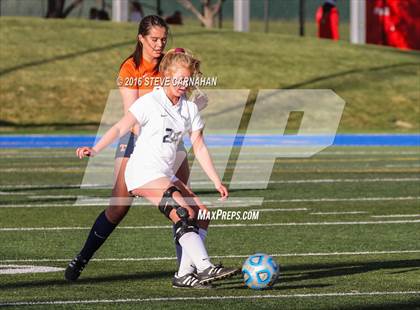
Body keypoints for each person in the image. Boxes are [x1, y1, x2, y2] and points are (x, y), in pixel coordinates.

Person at [74, 49, 239, 288]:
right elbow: (121, 127)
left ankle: (184, 274)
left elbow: (199, 146)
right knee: (182, 212)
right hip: (141, 171)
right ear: (166, 76)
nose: (184, 84)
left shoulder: (190, 109)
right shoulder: (149, 102)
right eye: (179, 79)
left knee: (201, 214)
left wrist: (216, 181)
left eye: (188, 79)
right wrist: (95, 149)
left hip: (163, 173)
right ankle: (205, 267)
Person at [65, 15, 206, 282]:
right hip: (138, 140)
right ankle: (82, 257)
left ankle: (185, 271)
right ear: (141, 38)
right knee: (118, 208)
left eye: (163, 39)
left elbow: (181, 103)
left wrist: (194, 105)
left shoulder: (169, 64)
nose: (159, 44)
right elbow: (132, 118)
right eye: (154, 39)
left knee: (183, 207)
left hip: (169, 142)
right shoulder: (130, 69)